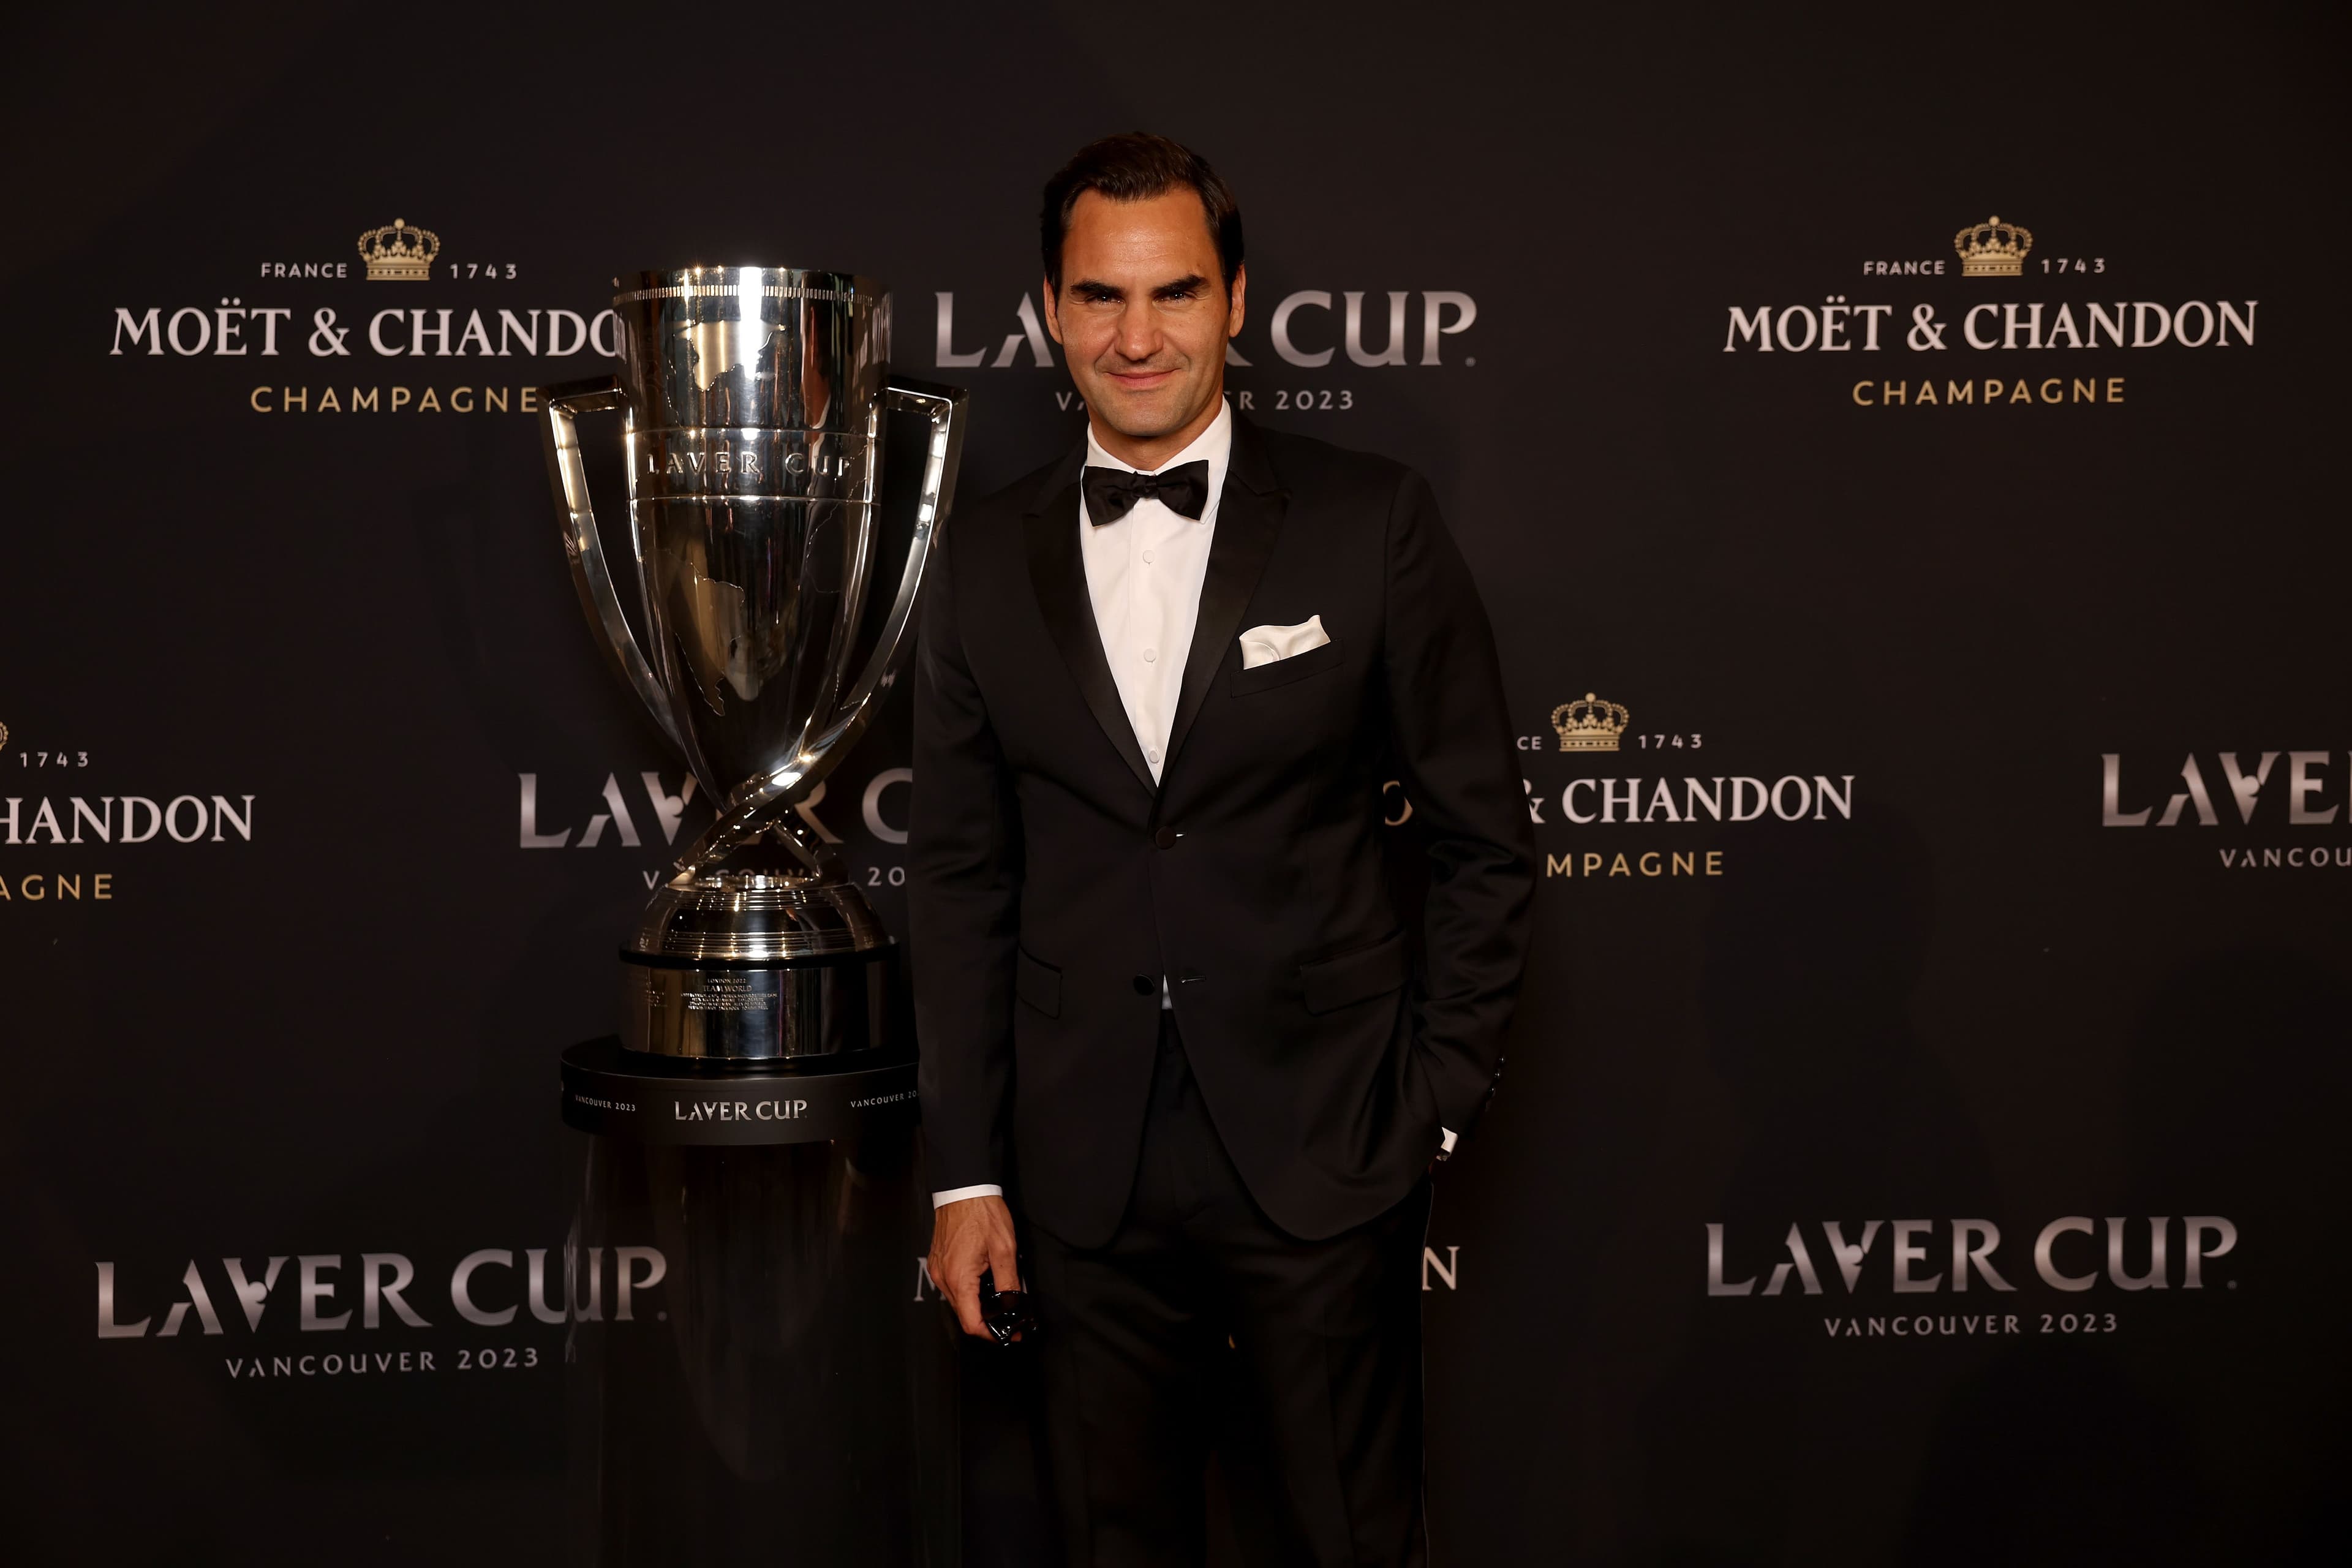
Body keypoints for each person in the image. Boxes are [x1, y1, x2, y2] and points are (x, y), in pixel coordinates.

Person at [911, 130, 1534, 1567]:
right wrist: (965, 1175)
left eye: (1177, 293)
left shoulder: (1371, 523)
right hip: (1076, 1171)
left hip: (1326, 1141)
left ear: (1238, 300)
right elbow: (958, 879)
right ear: (1051, 312)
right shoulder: (978, 559)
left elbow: (1483, 843)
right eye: (1103, 298)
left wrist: (1429, 1103)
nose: (1140, 338)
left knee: (1350, 1537)